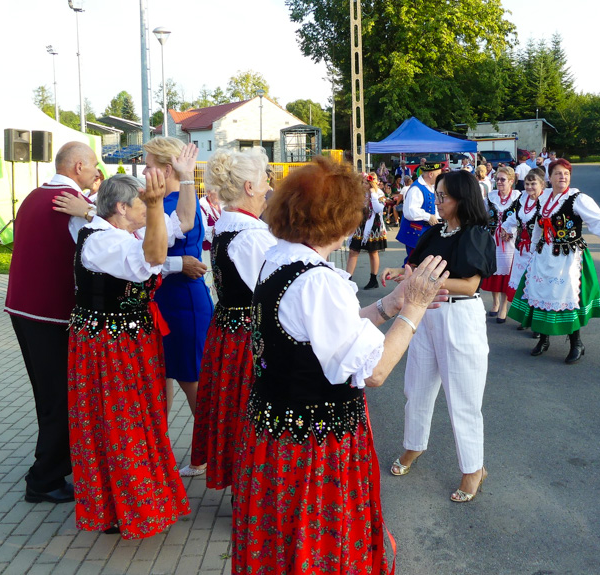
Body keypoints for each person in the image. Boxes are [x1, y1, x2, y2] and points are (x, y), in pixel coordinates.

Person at [232, 156, 449, 574]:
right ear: (341, 220)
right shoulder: (318, 279)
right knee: (320, 547)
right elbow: (375, 371)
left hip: (276, 432)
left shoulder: (279, 258)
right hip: (314, 446)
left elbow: (327, 332)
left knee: (283, 543)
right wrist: (416, 308)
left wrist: (390, 305)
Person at [68, 172, 190, 538]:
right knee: (119, 424)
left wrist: (185, 178)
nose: (148, 209)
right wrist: (155, 206)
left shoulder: (125, 233)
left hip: (130, 341)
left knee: (139, 418)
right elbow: (151, 258)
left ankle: (139, 498)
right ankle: (123, 507)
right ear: (122, 207)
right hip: (109, 347)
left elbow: (182, 221)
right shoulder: (102, 243)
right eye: (141, 203)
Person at [383, 170, 496, 504]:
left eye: (444, 195)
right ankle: (413, 445)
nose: (438, 200)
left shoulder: (475, 234)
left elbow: (471, 285)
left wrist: (423, 282)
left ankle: (473, 468)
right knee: (416, 387)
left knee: (463, 399)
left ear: (462, 198)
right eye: (438, 194)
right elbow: (415, 267)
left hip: (459, 317)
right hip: (426, 313)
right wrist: (402, 275)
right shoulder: (434, 231)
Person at [4, 142, 101, 504]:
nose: (96, 173)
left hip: (24, 308)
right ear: (78, 166)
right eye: (93, 166)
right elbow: (106, 242)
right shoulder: (71, 204)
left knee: (48, 394)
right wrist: (92, 213)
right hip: (49, 312)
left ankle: (52, 465)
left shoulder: (36, 194)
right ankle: (44, 478)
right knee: (60, 397)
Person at [192, 147, 275, 491]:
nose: (270, 183)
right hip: (246, 335)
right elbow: (275, 293)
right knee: (248, 410)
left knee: (233, 409)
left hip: (228, 329)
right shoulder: (251, 235)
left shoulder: (229, 225)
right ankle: (250, 491)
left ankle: (243, 484)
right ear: (249, 187)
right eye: (265, 177)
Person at [508, 159, 600, 363]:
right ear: (549, 178)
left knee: (568, 297)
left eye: (566, 174)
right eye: (558, 173)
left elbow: (598, 220)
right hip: (544, 255)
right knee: (540, 292)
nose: (563, 177)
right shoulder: (543, 198)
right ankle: (544, 339)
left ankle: (576, 342)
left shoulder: (577, 198)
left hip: (568, 256)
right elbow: (539, 226)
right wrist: (534, 248)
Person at [139, 137, 206, 475]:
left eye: (149, 165)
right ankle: (160, 453)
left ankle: (211, 454)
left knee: (192, 380)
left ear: (167, 169)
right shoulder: (166, 200)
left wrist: (177, 265)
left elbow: (151, 255)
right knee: (162, 376)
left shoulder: (176, 202)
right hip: (165, 300)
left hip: (182, 302)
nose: (144, 171)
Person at [481, 166, 520, 323]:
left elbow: (523, 219)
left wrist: (511, 233)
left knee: (506, 273)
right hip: (492, 240)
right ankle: (495, 302)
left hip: (509, 242)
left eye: (502, 179)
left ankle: (504, 306)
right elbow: (483, 215)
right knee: (493, 271)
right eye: (497, 179)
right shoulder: (490, 197)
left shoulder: (518, 198)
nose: (499, 182)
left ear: (511, 181)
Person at [503, 168, 545, 314]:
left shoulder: (546, 202)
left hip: (538, 250)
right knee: (522, 281)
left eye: (533, 184)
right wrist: (505, 228)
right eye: (527, 183)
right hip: (521, 249)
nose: (529, 187)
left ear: (542, 185)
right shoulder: (522, 199)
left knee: (536, 282)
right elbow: (515, 217)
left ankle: (535, 316)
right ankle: (524, 316)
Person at [347, 173, 387, 290]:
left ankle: (373, 279)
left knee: (373, 252)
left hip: (373, 226)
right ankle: (347, 280)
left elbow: (378, 208)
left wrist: (373, 194)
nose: (365, 185)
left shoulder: (379, 193)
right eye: (364, 182)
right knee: (353, 251)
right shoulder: (359, 194)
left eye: (367, 182)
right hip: (359, 225)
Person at [396, 162, 441, 263]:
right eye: (438, 174)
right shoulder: (416, 189)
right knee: (414, 262)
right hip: (416, 233)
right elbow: (410, 211)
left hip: (425, 232)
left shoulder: (431, 187)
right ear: (430, 174)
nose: (440, 177)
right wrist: (428, 216)